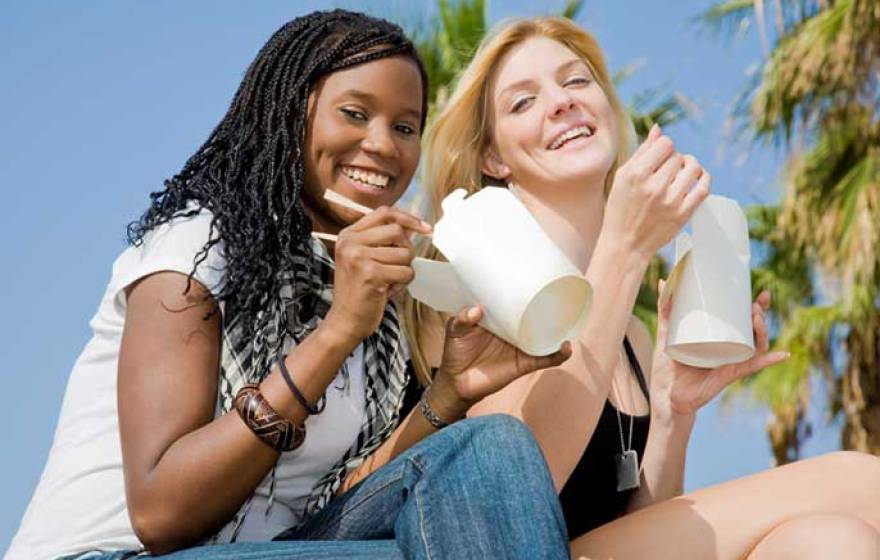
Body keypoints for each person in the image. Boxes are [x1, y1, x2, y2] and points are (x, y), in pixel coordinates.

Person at [7, 11, 573, 560]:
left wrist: (449, 393)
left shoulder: (376, 301)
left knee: (488, 448)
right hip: (114, 553)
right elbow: (161, 515)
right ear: (288, 115)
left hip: (280, 546)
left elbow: (347, 497)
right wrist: (338, 332)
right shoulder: (196, 246)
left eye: (405, 127)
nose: (383, 144)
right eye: (354, 113)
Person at [405, 16, 880, 559]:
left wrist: (674, 415)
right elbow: (510, 502)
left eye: (576, 81)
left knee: (831, 542)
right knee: (862, 481)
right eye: (523, 102)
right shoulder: (475, 294)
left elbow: (644, 527)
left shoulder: (632, 334)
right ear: (493, 158)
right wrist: (625, 248)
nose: (561, 102)